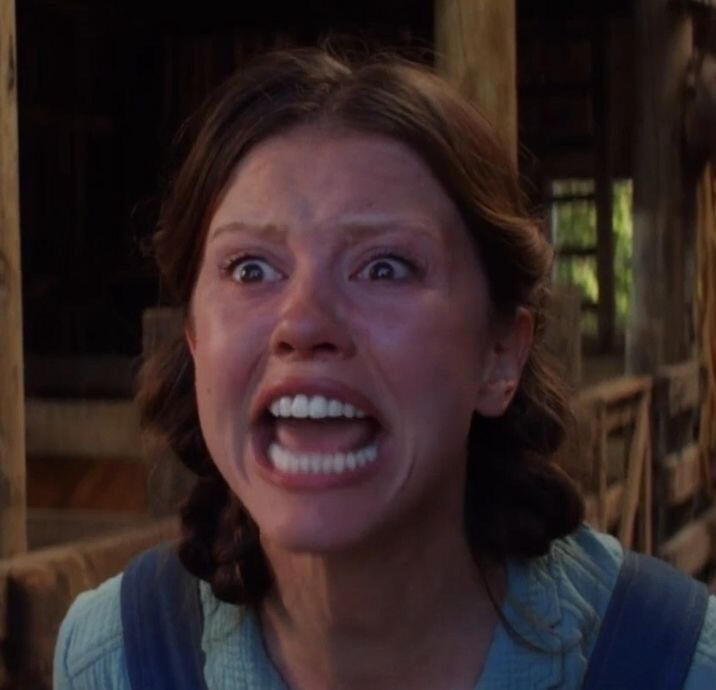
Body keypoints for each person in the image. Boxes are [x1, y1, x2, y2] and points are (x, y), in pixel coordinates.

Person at [53, 48, 716, 690]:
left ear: (500, 354)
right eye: (250, 268)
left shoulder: (681, 665)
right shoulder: (114, 659)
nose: (302, 324)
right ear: (196, 340)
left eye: (385, 268)